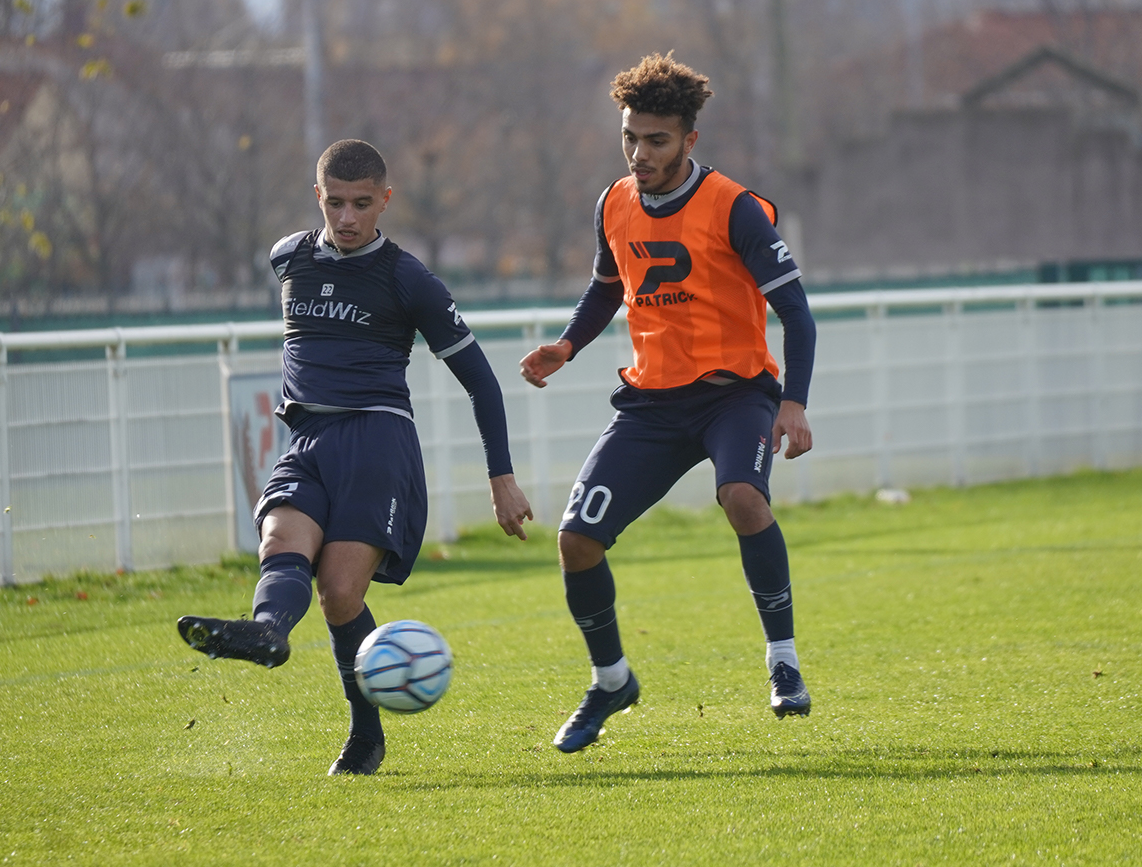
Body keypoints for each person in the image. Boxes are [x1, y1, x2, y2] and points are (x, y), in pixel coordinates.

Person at [178, 139, 533, 775]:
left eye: (362, 204)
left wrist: (500, 477)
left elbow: (481, 380)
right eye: (335, 202)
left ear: (385, 201)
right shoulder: (289, 258)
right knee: (279, 541)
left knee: (340, 593)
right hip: (308, 441)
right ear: (318, 196)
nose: (347, 217)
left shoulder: (408, 279)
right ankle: (267, 633)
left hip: (376, 442)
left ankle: (365, 735)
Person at [520, 53, 817, 753]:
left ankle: (784, 662)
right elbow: (607, 286)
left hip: (733, 396)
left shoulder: (736, 208)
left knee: (743, 497)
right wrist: (566, 346)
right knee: (575, 541)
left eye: (655, 140)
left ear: (689, 140)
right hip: (650, 405)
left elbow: (798, 316)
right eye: (630, 137)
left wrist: (793, 404)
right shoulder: (613, 203)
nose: (638, 152)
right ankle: (612, 678)